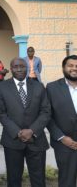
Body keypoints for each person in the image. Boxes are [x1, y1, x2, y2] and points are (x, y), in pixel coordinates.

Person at [0, 57, 51, 187]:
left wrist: (32, 131)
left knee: (39, 180)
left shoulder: (39, 86)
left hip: (36, 140)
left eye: (22, 66)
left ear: (27, 67)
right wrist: (18, 132)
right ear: (11, 69)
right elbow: (1, 113)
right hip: (13, 140)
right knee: (14, 179)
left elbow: (46, 111)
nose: (19, 69)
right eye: (16, 66)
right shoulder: (1, 87)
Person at [47, 55, 77, 187]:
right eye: (70, 65)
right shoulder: (52, 88)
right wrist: (62, 137)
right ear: (63, 68)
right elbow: (47, 116)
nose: (74, 68)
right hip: (64, 143)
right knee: (67, 181)